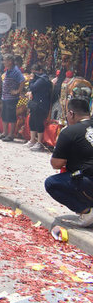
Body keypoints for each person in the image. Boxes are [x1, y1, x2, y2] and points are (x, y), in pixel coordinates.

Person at [44, 97, 93, 227]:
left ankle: (86, 211)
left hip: (88, 181)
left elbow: (56, 164)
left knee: (51, 183)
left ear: (71, 113)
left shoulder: (69, 132)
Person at [0, 54, 25, 142]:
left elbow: (22, 81)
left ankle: (11, 134)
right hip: (5, 97)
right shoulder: (8, 70)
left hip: (11, 98)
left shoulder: (16, 71)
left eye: (5, 60)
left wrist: (17, 91)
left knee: (11, 116)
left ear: (10, 61)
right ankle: (4, 133)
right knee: (4, 115)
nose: (3, 62)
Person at [27, 62, 52, 151]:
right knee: (32, 121)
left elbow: (33, 87)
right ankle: (32, 140)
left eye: (36, 71)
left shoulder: (42, 79)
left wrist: (31, 80)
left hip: (41, 104)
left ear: (41, 71)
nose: (34, 74)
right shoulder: (38, 78)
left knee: (38, 123)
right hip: (35, 103)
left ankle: (40, 142)